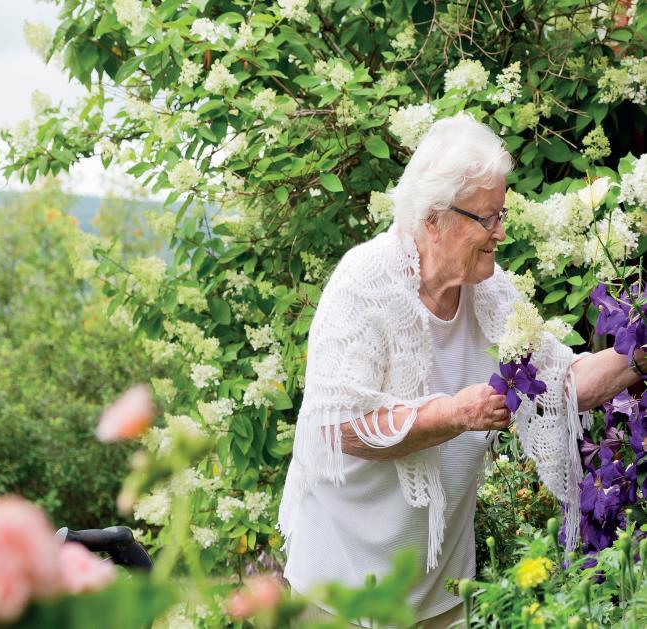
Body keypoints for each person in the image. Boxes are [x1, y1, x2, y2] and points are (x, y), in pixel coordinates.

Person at [277, 114, 647, 628]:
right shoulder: (365, 286)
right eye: (487, 218)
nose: (501, 231)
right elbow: (339, 428)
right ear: (433, 218)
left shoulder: (491, 293)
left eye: (502, 214)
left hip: (441, 590)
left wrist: (640, 352)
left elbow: (563, 387)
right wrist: (452, 414)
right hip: (339, 589)